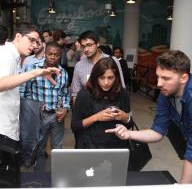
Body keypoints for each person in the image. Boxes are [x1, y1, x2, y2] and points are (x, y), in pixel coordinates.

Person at [106, 50, 192, 183]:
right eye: (158, 77)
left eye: (166, 78)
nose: (158, 84)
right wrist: (129, 134)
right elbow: (157, 131)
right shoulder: (165, 93)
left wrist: (183, 186)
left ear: (184, 78)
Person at [0, 22, 60, 150]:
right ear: (18, 37)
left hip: (8, 129)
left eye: (37, 43)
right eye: (32, 40)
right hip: (2, 130)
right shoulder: (5, 54)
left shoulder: (15, 57)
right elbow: (1, 83)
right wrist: (35, 72)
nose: (34, 46)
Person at [20, 41, 70, 170]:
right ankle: (39, 176)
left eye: (56, 55)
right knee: (39, 147)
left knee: (57, 147)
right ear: (45, 53)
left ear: (61, 55)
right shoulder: (33, 69)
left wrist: (65, 108)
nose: (53, 57)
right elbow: (23, 92)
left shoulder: (63, 73)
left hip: (56, 116)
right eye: (50, 54)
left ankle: (59, 174)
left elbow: (65, 94)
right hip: (38, 116)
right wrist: (29, 113)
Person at [71, 57, 131, 148]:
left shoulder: (123, 94)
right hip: (89, 147)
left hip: (116, 147)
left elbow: (129, 124)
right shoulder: (84, 94)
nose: (106, 82)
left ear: (116, 77)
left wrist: (126, 117)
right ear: (95, 77)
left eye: (110, 78)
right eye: (102, 78)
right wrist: (96, 117)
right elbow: (75, 126)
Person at [71, 30, 125, 104]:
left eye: (89, 45)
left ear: (98, 43)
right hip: (88, 110)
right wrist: (77, 113)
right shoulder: (79, 65)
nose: (86, 49)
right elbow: (75, 94)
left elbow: (121, 87)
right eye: (83, 46)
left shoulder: (112, 60)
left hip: (110, 107)